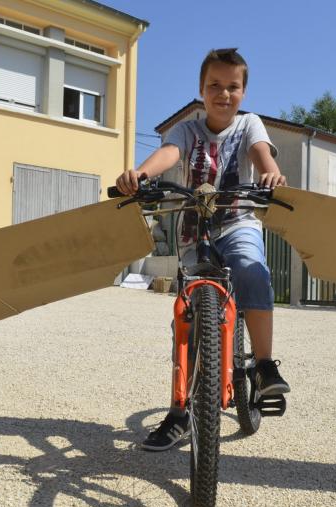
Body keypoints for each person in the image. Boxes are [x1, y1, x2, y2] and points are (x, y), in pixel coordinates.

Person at [115, 48, 290, 451]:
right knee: (189, 319)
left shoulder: (249, 125)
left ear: (243, 92)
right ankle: (180, 411)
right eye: (215, 85)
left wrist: (269, 172)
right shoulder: (187, 130)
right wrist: (141, 173)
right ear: (201, 89)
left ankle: (263, 366)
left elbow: (261, 155)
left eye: (232, 86)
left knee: (251, 268)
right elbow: (168, 154)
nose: (223, 93)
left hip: (237, 222)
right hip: (194, 230)